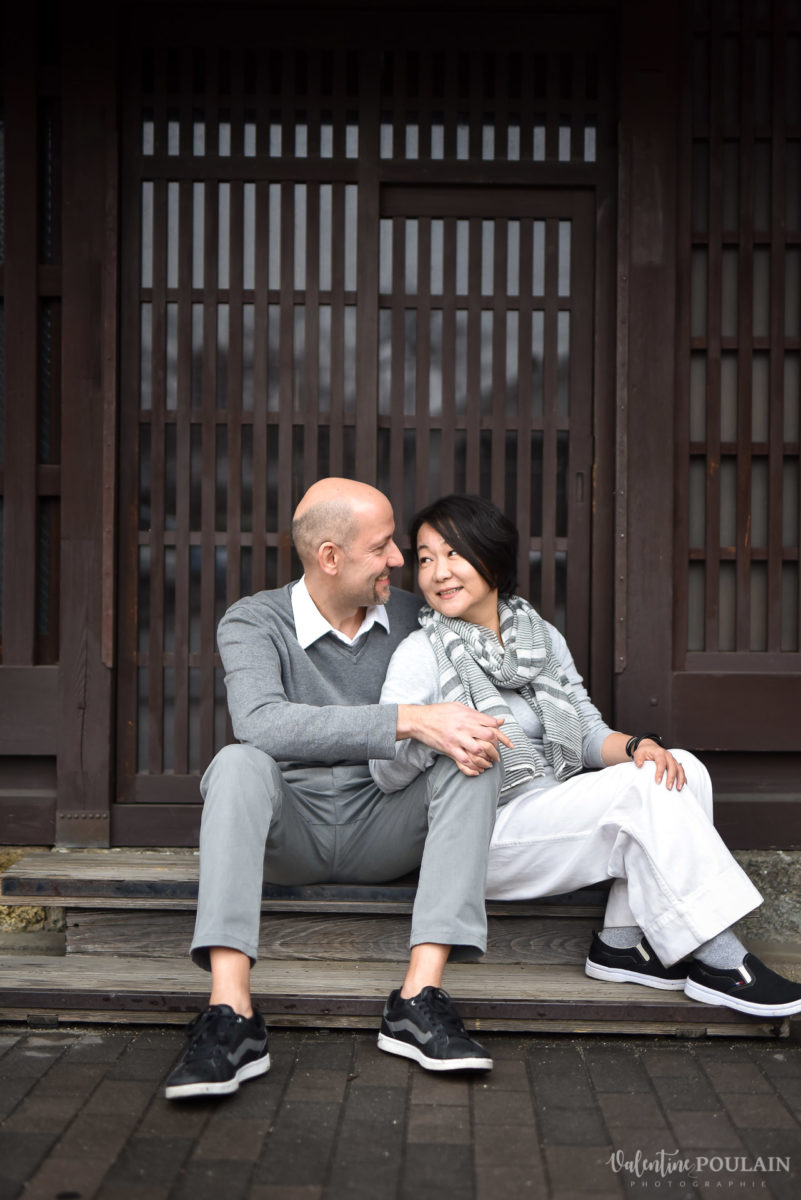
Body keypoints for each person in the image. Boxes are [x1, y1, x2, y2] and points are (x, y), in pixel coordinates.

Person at [370, 493, 801, 1020]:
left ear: (493, 558)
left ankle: (621, 942)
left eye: (453, 553)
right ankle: (719, 957)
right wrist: (435, 733)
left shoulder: (540, 638)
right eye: (426, 557)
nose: (438, 572)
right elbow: (384, 772)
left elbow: (585, 731)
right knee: (641, 791)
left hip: (551, 811)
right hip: (481, 833)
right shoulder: (421, 652)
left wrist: (640, 747)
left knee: (680, 769)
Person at [164, 478, 514, 1100]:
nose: (401, 561)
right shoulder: (253, 620)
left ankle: (418, 998)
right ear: (331, 557)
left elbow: (508, 642)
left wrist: (607, 741)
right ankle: (230, 1014)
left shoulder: (416, 614)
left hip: (387, 821)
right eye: (383, 548)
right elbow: (262, 723)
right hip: (289, 830)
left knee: (471, 753)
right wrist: (410, 719)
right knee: (237, 762)